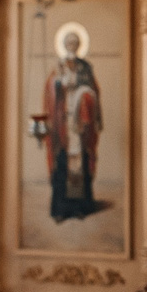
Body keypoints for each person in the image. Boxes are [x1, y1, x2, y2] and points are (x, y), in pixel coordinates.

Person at [43, 25, 101, 220]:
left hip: (80, 123)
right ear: (63, 45)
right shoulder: (58, 66)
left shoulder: (85, 67)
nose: (72, 45)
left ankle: (79, 207)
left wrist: (84, 95)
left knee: (79, 164)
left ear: (79, 45)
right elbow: (50, 88)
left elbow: (93, 90)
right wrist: (59, 84)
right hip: (63, 122)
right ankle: (61, 209)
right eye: (68, 43)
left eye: (75, 43)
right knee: (62, 164)